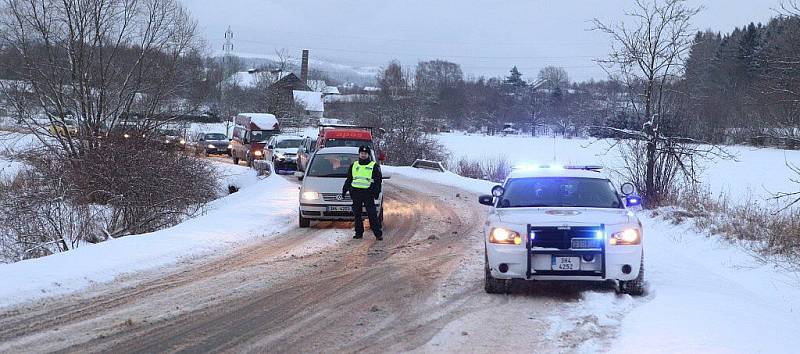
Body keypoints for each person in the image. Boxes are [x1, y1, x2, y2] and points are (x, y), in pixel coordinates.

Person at [342, 145, 383, 240]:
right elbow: (349, 179)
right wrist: (345, 189)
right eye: (361, 153)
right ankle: (358, 233)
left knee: (372, 214)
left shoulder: (373, 166)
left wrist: (376, 192)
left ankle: (378, 234)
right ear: (359, 154)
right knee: (357, 214)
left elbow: (378, 181)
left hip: (368, 193)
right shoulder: (354, 165)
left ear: (368, 155)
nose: (363, 155)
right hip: (356, 193)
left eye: (365, 153)